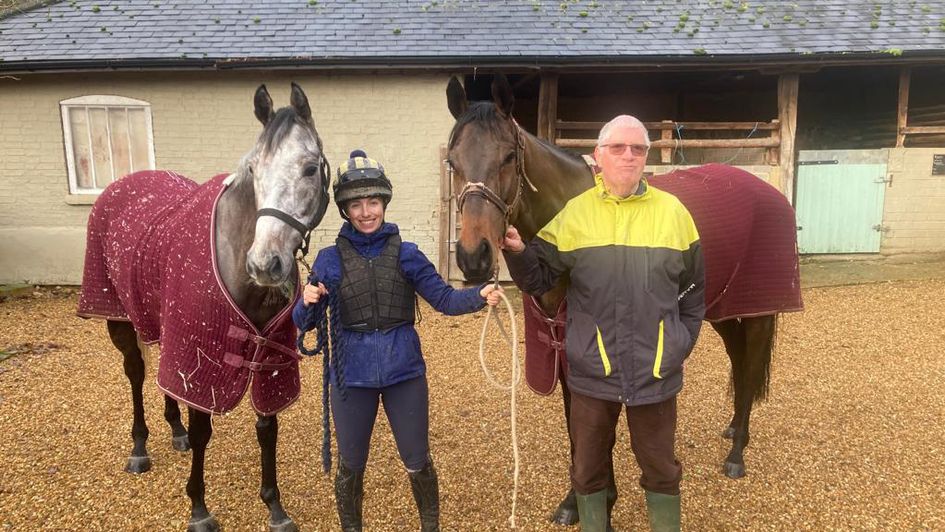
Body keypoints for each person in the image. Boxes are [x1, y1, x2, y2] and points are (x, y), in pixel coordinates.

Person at [500, 116, 705, 532]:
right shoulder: (575, 215)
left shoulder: (674, 213)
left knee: (661, 468)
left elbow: (694, 288)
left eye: (638, 148)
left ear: (646, 157)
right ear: (598, 156)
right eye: (618, 147)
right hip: (593, 372)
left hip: (655, 372)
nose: (628, 155)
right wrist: (519, 251)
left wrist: (678, 343)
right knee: (588, 469)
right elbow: (538, 278)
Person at [293, 150, 502, 532]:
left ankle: (430, 526)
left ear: (384, 203)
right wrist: (306, 301)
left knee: (417, 458)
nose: (366, 211)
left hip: (404, 373)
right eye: (356, 204)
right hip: (349, 377)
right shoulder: (328, 260)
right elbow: (302, 324)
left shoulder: (407, 255)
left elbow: (444, 299)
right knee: (351, 464)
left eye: (373, 201)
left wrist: (478, 295)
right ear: (344, 209)